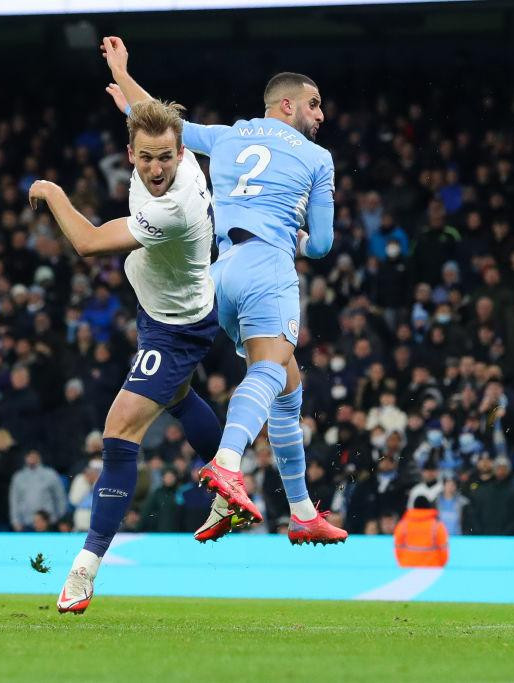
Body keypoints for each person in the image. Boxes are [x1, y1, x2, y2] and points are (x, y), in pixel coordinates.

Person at [101, 36, 346, 547]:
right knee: (270, 369)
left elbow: (156, 120)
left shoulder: (229, 135)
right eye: (314, 104)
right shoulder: (318, 158)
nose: (321, 115)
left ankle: (302, 512)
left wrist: (123, 74)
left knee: (289, 385)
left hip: (219, 272)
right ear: (287, 104)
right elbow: (322, 245)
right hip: (267, 267)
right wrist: (299, 234)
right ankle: (229, 465)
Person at [31, 93, 227, 613]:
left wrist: (51, 191)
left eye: (166, 157)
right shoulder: (163, 145)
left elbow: (90, 243)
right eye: (146, 157)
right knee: (181, 397)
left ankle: (85, 569)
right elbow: (152, 122)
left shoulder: (172, 205)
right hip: (166, 305)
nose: (157, 167)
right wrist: (122, 79)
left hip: (175, 327)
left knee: (119, 431)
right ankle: (227, 479)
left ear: (183, 155)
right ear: (131, 153)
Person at [9, 450, 68, 533]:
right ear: (25, 458)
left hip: (48, 523)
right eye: (29, 456)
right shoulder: (18, 477)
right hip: (26, 523)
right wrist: (15, 521)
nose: (31, 458)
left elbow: (60, 497)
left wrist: (58, 518)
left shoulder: (50, 474)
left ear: (39, 457)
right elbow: (14, 500)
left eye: (34, 455)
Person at [393, 496, 449, 568]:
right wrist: (439, 564)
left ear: (414, 507)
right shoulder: (437, 526)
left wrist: (403, 562)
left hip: (407, 567)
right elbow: (443, 549)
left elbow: (397, 547)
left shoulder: (403, 525)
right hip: (432, 567)